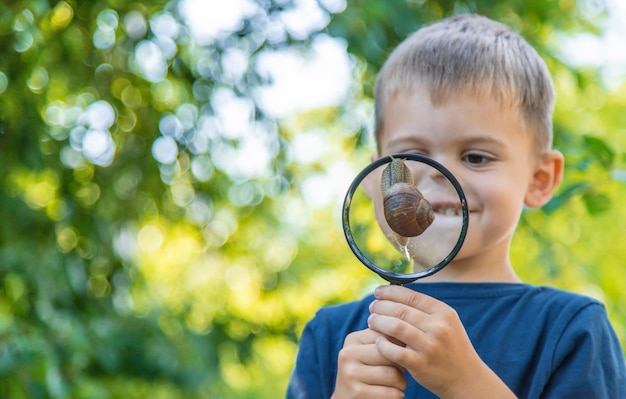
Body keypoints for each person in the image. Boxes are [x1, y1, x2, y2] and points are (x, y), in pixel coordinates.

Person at [286, 13, 626, 398]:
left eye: (476, 157)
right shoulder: (330, 336)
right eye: (413, 155)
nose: (440, 175)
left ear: (539, 179)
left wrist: (464, 383)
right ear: (373, 180)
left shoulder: (572, 330)